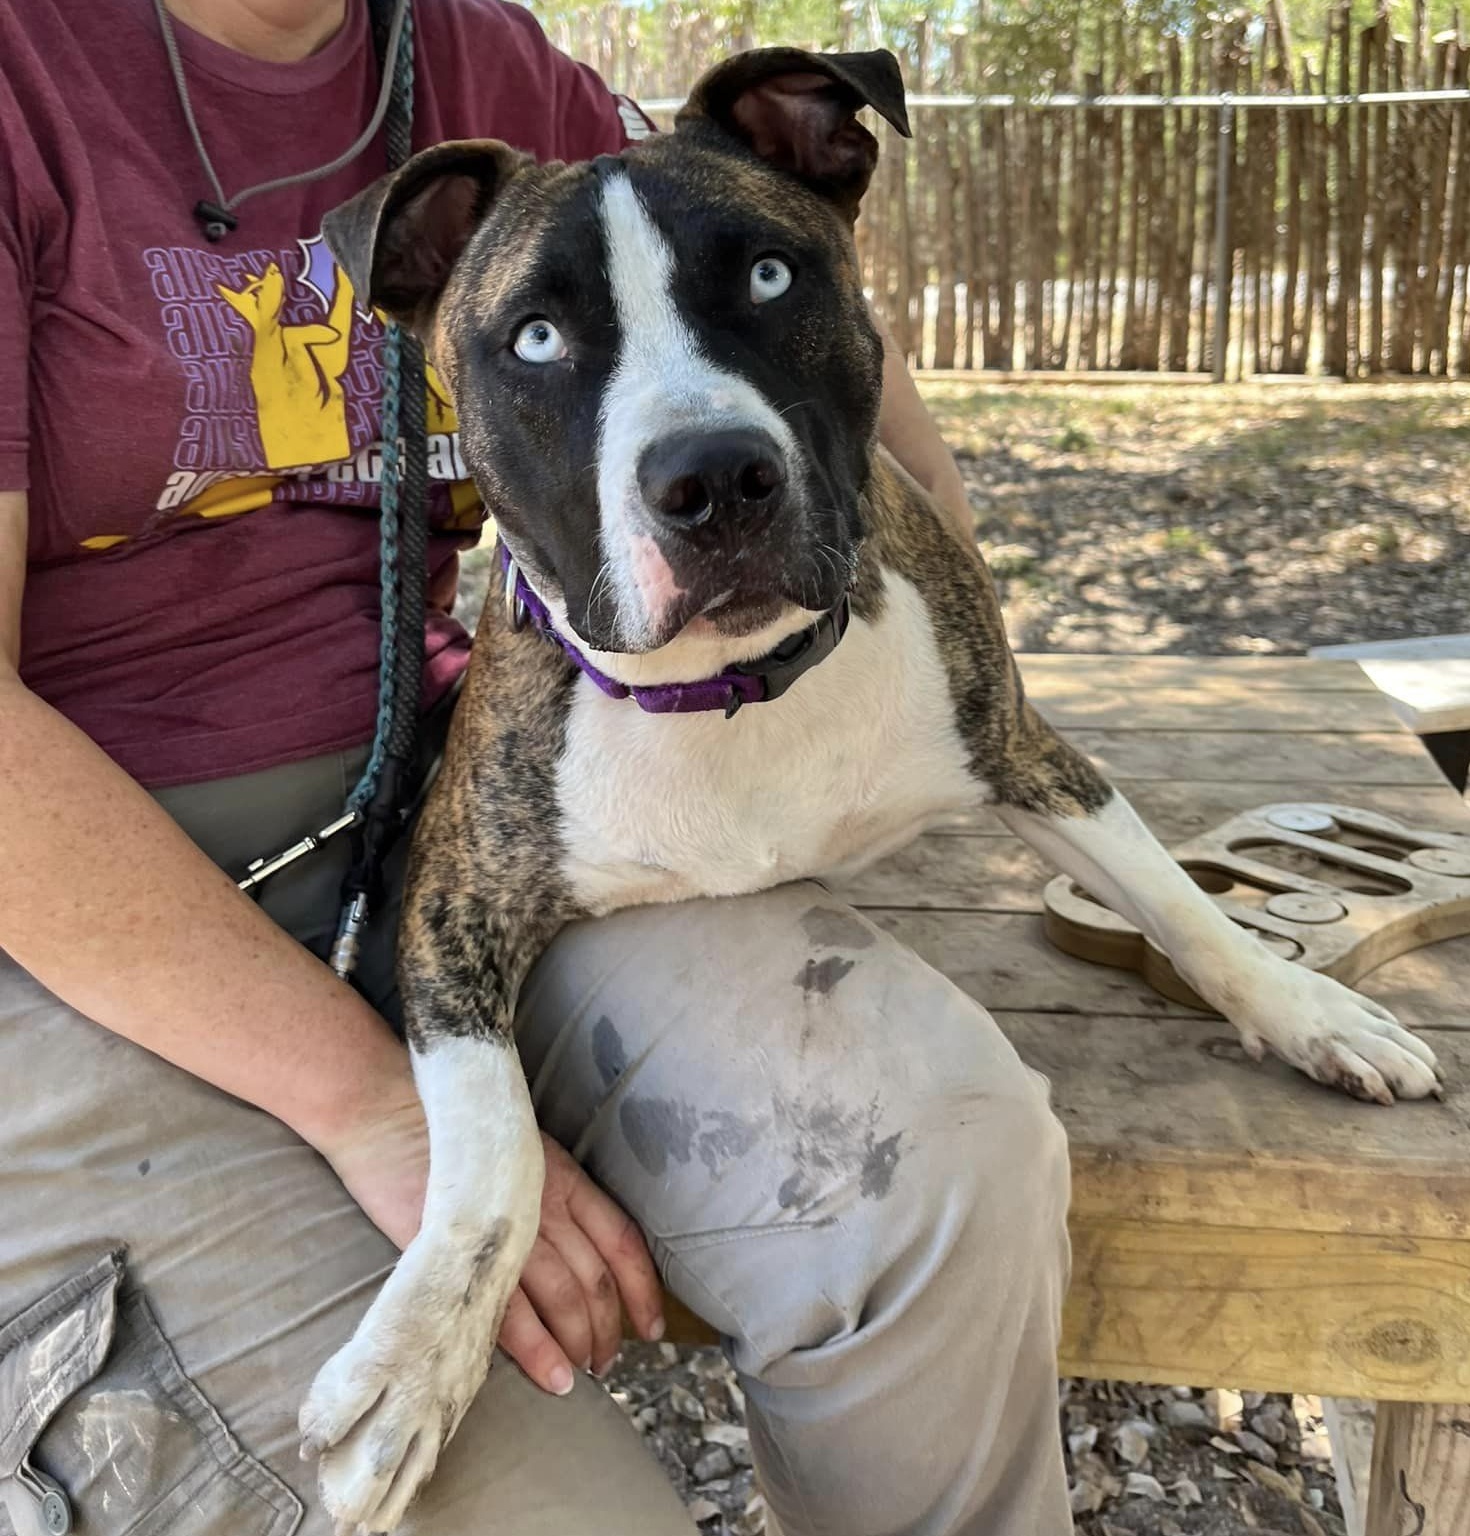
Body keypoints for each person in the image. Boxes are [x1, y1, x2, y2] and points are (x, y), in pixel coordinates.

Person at [0, 1, 1073, 1532]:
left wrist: (925, 586)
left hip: (460, 831)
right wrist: (387, 1111)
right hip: (76, 933)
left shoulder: (476, 60)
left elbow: (761, 260)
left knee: (943, 1176)